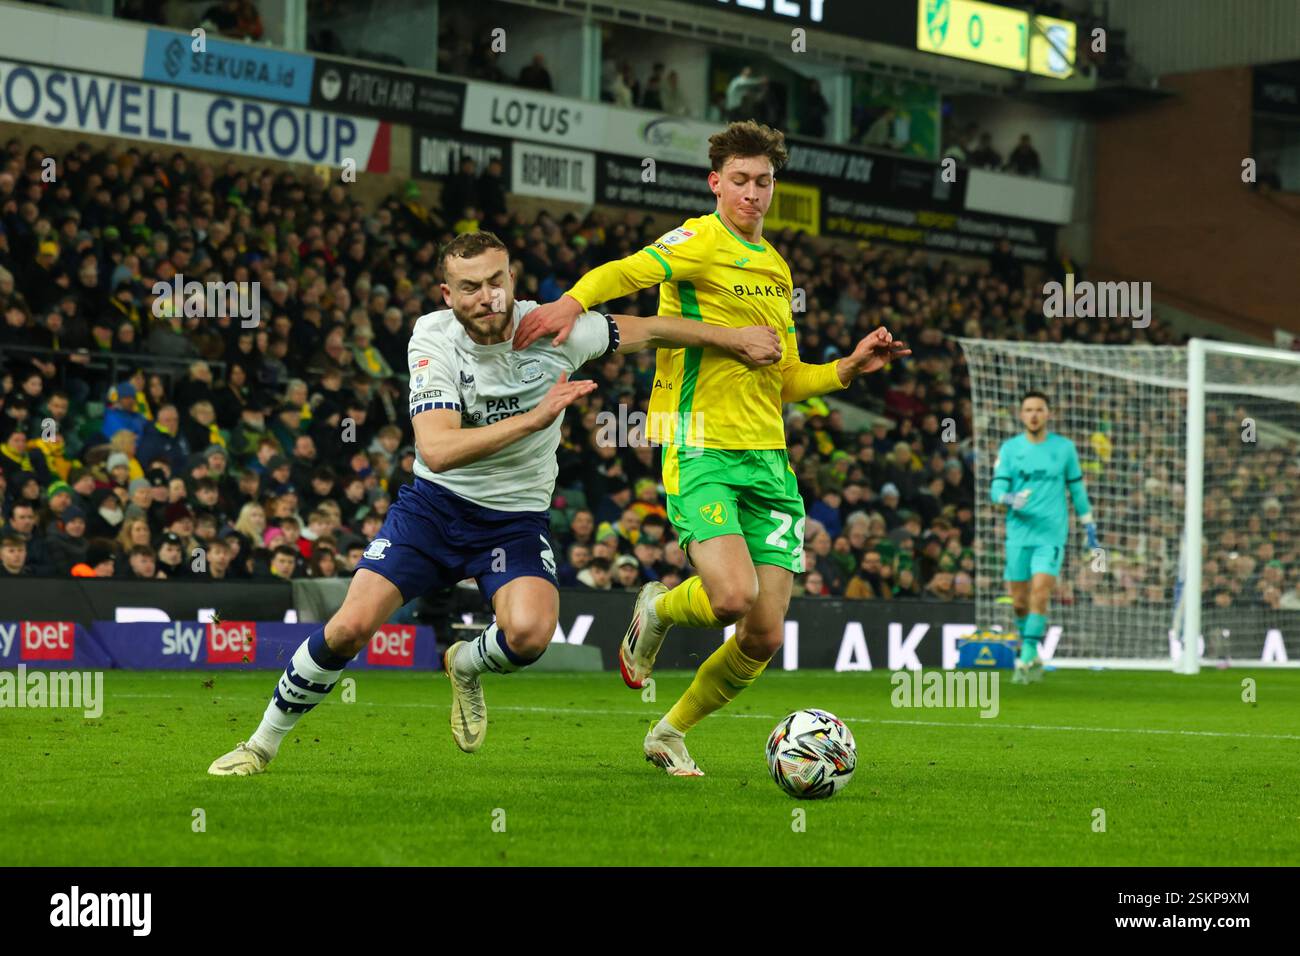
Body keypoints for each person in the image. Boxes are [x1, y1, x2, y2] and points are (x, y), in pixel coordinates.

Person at [207, 230, 781, 776]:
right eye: (471, 287)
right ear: (447, 294)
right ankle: (259, 745)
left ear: (512, 277)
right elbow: (438, 448)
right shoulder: (432, 338)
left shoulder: (557, 330)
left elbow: (655, 329)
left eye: (497, 280)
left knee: (530, 636)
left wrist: (735, 338)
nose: (488, 296)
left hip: (513, 524)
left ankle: (465, 663)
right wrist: (535, 417)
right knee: (350, 628)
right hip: (434, 509)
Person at [513, 120, 908, 776]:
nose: (752, 193)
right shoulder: (700, 238)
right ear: (716, 182)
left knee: (764, 632)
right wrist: (570, 302)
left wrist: (846, 370)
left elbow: (785, 378)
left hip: (768, 459)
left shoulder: (777, 269)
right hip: (699, 445)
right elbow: (629, 270)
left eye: (764, 182)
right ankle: (659, 606)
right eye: (741, 181)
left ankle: (668, 732)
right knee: (728, 596)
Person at [990, 390, 1097, 683]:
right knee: (1019, 602)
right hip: (1018, 534)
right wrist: (1010, 498)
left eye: (1039, 409)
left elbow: (1076, 488)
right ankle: (1033, 651)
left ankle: (1025, 655)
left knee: (1041, 591)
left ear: (1048, 414)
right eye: (1028, 410)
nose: (1034, 415)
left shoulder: (1064, 449)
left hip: (1050, 534)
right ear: (1021, 415)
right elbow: (995, 491)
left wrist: (1088, 523)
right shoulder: (1010, 449)